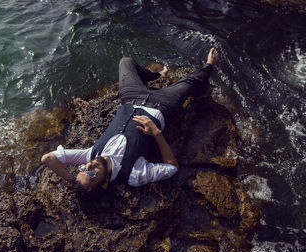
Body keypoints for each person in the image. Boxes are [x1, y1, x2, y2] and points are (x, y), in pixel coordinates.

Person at [41, 48, 219, 191]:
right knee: (192, 83)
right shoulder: (133, 174)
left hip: (132, 98)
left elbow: (48, 159)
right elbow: (172, 168)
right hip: (162, 107)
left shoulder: (91, 155)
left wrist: (73, 180)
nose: (90, 166)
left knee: (125, 62)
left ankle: (156, 76)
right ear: (104, 183)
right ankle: (210, 65)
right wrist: (156, 133)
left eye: (83, 169)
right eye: (93, 174)